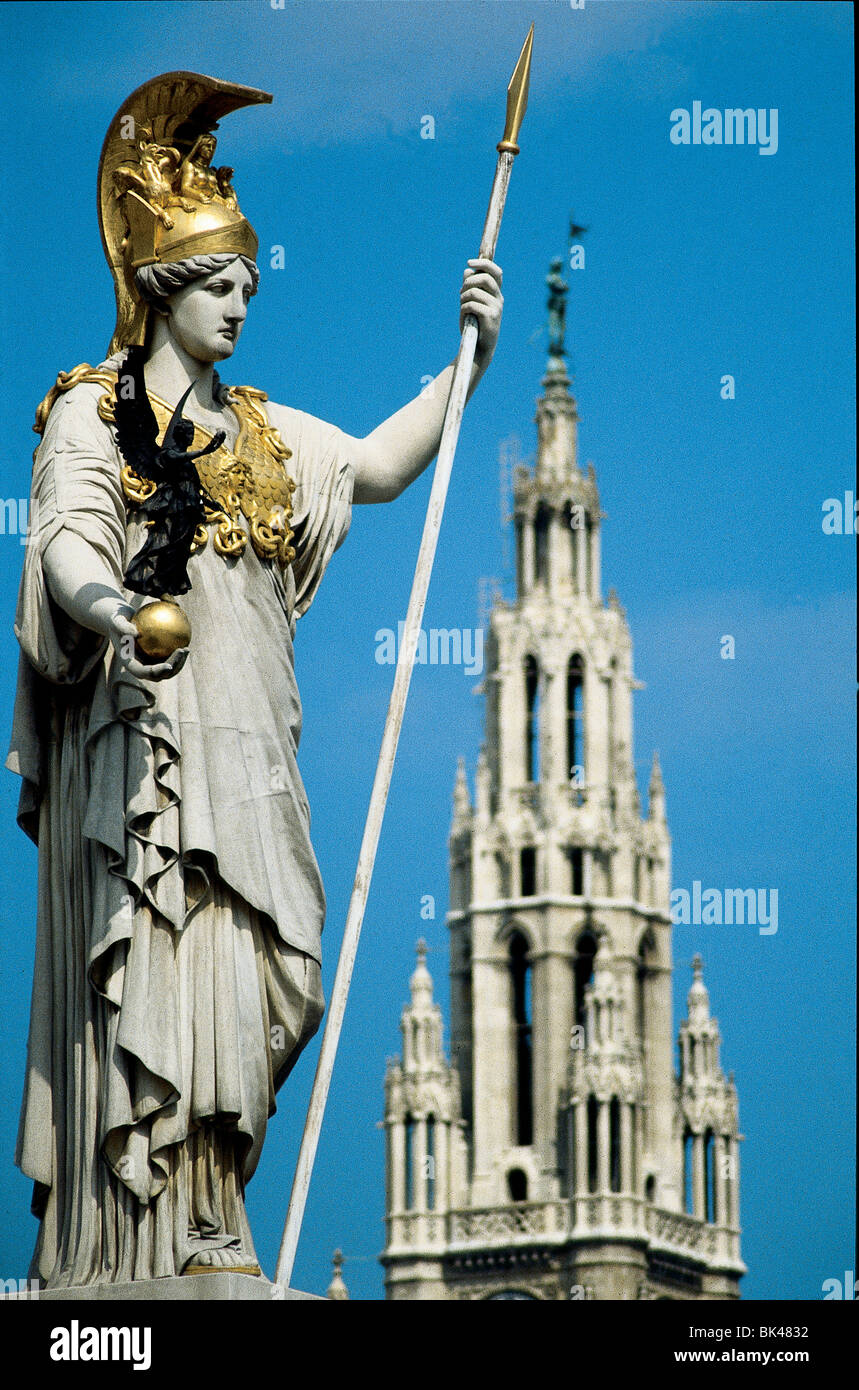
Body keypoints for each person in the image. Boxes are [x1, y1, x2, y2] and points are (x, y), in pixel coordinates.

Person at [6, 74, 503, 1287]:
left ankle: (214, 1202)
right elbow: (66, 541)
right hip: (145, 756)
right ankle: (141, 1241)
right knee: (160, 970)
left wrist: (468, 356)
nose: (241, 305)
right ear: (166, 289)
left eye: (248, 288)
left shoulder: (270, 437)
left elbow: (382, 465)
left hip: (254, 763)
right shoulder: (93, 413)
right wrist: (117, 609)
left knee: (266, 974)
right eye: (221, 287)